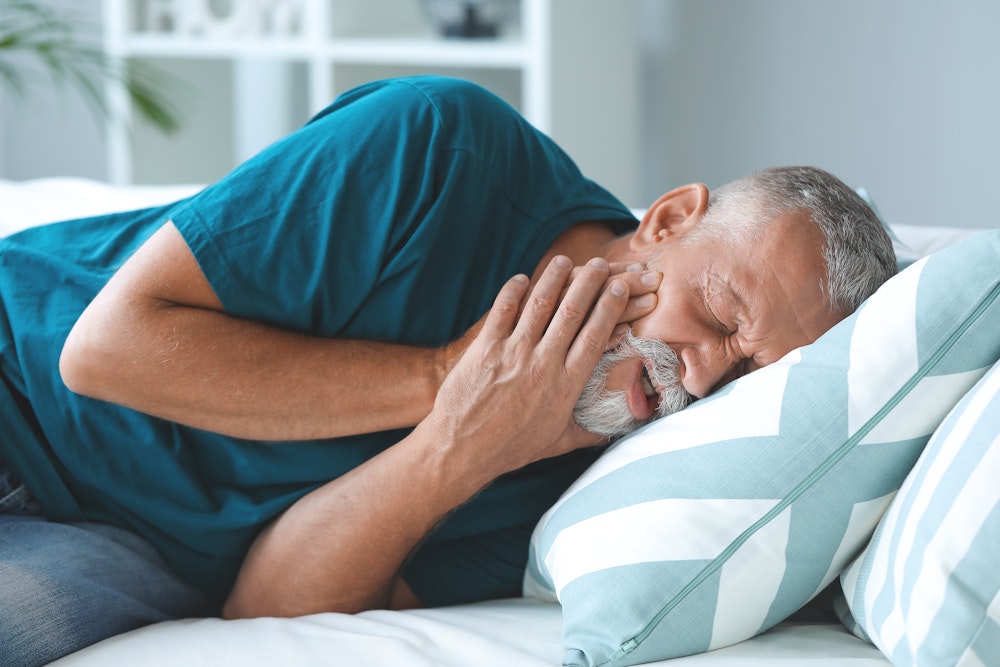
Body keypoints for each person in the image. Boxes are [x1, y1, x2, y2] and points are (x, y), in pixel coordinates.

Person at [0, 75, 897, 665]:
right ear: (667, 219)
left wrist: (463, 449)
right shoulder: (443, 148)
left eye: (744, 379)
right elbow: (103, 349)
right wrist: (446, 379)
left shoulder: (595, 485)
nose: (698, 383)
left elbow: (260, 608)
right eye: (719, 316)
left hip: (119, 540)